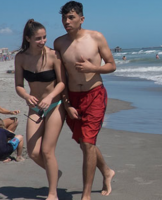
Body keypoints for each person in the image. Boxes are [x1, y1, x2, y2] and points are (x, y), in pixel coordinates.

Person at [54, 1, 116, 199]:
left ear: (81, 19)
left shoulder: (96, 37)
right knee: (84, 143)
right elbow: (61, 77)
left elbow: (112, 65)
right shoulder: (59, 43)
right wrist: (66, 103)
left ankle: (86, 195)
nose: (67, 21)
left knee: (88, 144)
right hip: (72, 98)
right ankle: (106, 171)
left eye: (71, 17)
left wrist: (93, 69)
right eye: (64, 18)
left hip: (95, 94)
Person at [15, 19, 66, 200]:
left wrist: (51, 96)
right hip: (35, 108)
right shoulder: (20, 58)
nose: (43, 41)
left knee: (46, 151)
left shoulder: (53, 55)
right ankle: (55, 174)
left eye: (44, 37)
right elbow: (19, 86)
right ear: (28, 38)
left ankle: (52, 194)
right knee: (33, 152)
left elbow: (62, 83)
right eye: (38, 38)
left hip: (55, 105)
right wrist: (27, 97)